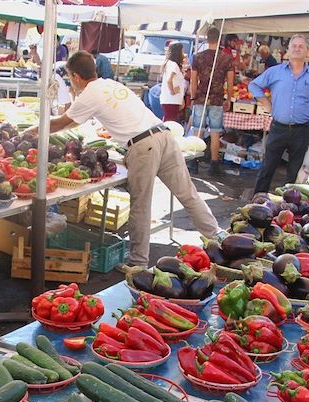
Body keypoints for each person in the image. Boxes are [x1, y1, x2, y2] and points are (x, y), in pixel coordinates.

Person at [24, 51, 223, 272]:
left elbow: (64, 123)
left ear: (76, 76)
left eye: (71, 78)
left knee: (140, 206)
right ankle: (217, 239)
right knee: (188, 194)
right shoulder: (110, 84)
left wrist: (37, 129)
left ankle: (138, 264)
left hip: (143, 147)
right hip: (164, 136)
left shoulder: (89, 93)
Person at [249, 34, 309, 193]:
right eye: (294, 46)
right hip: (279, 128)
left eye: (301, 46)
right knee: (267, 167)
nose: (297, 49)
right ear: (288, 50)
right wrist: (267, 104)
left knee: (293, 173)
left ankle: (287, 205)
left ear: (307, 51)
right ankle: (257, 201)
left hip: (302, 130)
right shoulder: (275, 72)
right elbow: (253, 86)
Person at [190, 26, 234, 176]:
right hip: (217, 98)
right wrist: (228, 97)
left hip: (201, 98)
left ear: (208, 39)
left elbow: (193, 81)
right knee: (215, 133)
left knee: (198, 131)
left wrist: (192, 97)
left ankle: (193, 162)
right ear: (220, 39)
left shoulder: (197, 57)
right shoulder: (226, 58)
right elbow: (230, 80)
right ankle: (214, 165)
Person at [159, 42, 186, 123]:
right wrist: (173, 91)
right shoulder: (173, 65)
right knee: (170, 122)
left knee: (168, 120)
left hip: (169, 100)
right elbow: (169, 80)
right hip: (171, 100)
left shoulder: (168, 63)